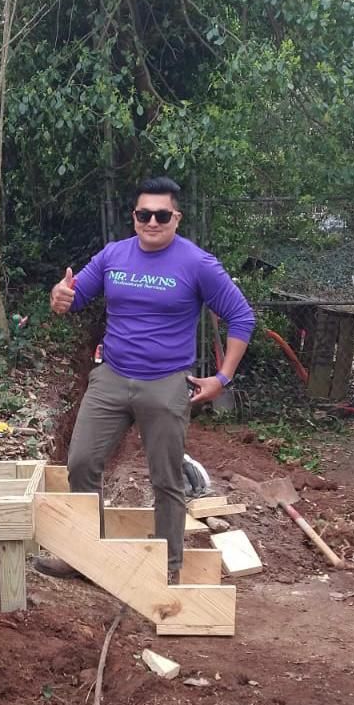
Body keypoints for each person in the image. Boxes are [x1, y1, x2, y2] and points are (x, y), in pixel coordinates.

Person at [39, 176, 255, 582]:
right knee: (81, 461)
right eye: (144, 214)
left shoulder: (197, 264)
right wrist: (59, 295)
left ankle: (168, 568)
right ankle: (81, 553)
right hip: (112, 378)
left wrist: (222, 378)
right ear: (134, 217)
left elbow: (242, 316)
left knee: (167, 479)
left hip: (166, 383)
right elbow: (73, 296)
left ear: (176, 217)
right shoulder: (113, 256)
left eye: (161, 215)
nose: (151, 222)